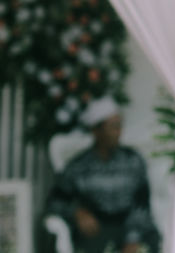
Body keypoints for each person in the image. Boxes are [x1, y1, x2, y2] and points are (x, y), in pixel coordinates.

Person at [43, 97, 161, 253]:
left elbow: (142, 203)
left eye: (120, 126)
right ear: (96, 131)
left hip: (133, 226)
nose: (119, 132)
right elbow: (55, 201)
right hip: (97, 229)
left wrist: (133, 238)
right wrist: (76, 213)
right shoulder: (79, 166)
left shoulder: (133, 160)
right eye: (113, 127)